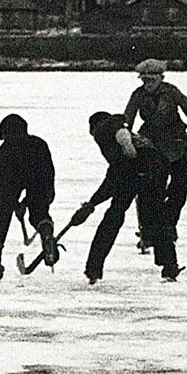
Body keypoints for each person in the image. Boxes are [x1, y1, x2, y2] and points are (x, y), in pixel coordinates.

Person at [123, 59, 187, 280]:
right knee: (152, 195)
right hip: (151, 148)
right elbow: (127, 120)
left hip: (177, 145)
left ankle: (166, 226)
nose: (147, 83)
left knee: (180, 190)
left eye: (151, 79)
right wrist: (127, 140)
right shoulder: (138, 95)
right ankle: (156, 232)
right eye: (144, 79)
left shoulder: (172, 92)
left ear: (161, 78)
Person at [0, 114, 57, 283]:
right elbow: (45, 175)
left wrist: (13, 204)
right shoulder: (39, 144)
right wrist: (29, 201)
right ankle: (46, 234)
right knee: (39, 213)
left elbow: (3, 184)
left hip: (14, 178)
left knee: (1, 215)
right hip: (41, 178)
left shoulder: (5, 150)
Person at [73, 110, 145, 284]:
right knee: (152, 215)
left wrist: (92, 203)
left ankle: (93, 269)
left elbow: (114, 176)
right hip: (146, 168)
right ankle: (169, 265)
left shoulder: (103, 133)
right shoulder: (119, 130)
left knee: (112, 219)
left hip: (139, 170)